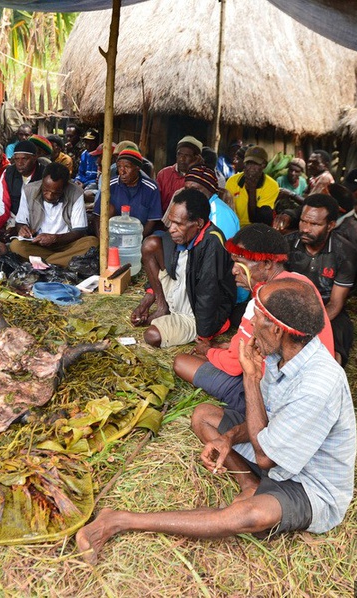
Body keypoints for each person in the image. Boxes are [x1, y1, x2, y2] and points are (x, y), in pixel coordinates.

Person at [77, 278, 356, 565]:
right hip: (275, 448)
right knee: (204, 416)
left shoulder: (317, 385)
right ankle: (249, 485)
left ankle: (119, 521)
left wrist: (250, 376)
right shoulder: (280, 355)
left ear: (277, 329)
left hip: (308, 485)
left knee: (250, 516)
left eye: (256, 318)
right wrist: (229, 438)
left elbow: (266, 456)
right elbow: (268, 420)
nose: (249, 325)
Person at [173, 224, 334, 413]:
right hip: (317, 384)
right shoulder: (302, 282)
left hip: (279, 396)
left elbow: (234, 364)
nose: (234, 270)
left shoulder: (262, 301)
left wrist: (208, 351)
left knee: (181, 362)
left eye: (240, 263)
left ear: (266, 263)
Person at [129, 189, 235, 348]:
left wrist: (205, 336)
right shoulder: (181, 234)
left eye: (178, 223)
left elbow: (208, 294)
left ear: (198, 223)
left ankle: (184, 320)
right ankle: (163, 307)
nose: (171, 228)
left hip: (196, 312)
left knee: (152, 336)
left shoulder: (213, 243)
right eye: (171, 222)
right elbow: (162, 270)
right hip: (183, 289)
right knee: (150, 245)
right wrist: (146, 302)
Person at [286, 194, 357, 366]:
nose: (305, 229)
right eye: (303, 221)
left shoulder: (345, 253)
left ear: (331, 225)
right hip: (288, 307)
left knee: (335, 345)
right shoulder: (286, 245)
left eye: (315, 224)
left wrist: (309, 328)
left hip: (327, 311)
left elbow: (335, 303)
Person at [10, 162, 98, 266]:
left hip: (67, 245)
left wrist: (55, 238)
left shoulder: (76, 192)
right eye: (46, 190)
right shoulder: (29, 190)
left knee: (92, 242)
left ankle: (45, 263)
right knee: (16, 245)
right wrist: (22, 228)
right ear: (42, 182)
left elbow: (79, 231)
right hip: (38, 246)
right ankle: (59, 262)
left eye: (56, 192)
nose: (50, 196)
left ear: (65, 187)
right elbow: (20, 222)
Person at [91, 148, 162, 238]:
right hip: (114, 236)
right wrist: (102, 240)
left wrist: (135, 241)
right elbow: (97, 215)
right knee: (109, 208)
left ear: (137, 168)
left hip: (139, 237)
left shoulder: (151, 188)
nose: (122, 171)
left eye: (127, 167)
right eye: (119, 167)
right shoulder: (109, 186)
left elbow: (152, 221)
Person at [0, 140, 44, 234]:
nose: (19, 163)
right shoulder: (8, 173)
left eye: (24, 159)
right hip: (13, 218)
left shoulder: (45, 174)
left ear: (34, 158)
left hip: (39, 221)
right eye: (16, 159)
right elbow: (1, 205)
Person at [225, 146, 280, 226]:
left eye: (255, 164)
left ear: (263, 165)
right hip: (234, 226)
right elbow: (228, 211)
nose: (250, 168)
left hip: (256, 228)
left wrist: (252, 189)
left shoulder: (271, 185)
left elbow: (257, 218)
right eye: (248, 163)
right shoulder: (233, 181)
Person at [156, 136, 202, 212]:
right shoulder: (164, 174)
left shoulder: (198, 179)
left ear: (196, 158)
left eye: (187, 156)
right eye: (179, 154)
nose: (181, 159)